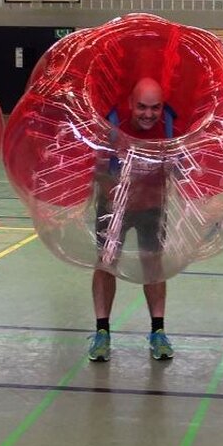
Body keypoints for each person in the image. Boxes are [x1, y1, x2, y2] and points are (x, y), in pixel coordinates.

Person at [87, 77, 174, 362]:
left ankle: (158, 332)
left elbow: (181, 169)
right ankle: (102, 332)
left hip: (152, 207)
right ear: (130, 104)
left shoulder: (171, 127)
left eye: (155, 108)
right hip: (115, 207)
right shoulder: (112, 126)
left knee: (154, 266)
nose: (149, 114)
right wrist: (114, 187)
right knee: (106, 263)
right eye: (142, 107)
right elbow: (96, 167)